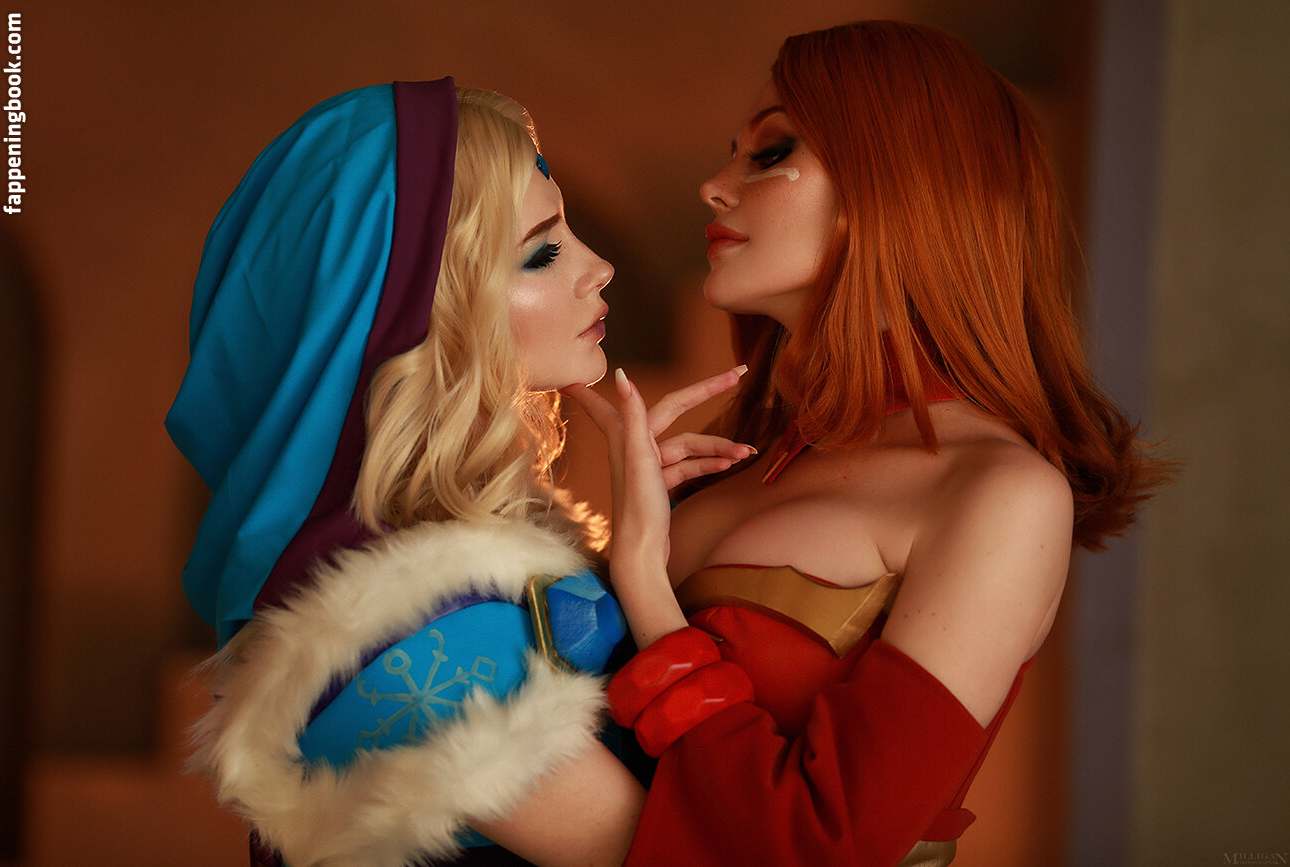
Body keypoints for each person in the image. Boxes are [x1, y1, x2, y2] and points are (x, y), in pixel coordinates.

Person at [567, 20, 1174, 867]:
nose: (713, 186)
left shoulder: (1002, 493)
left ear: (899, 183)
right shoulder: (735, 467)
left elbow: (830, 843)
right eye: (732, 153)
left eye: (771, 152)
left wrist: (642, 581)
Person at [166, 79, 748, 867]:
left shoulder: (450, 582)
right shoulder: (406, 653)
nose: (600, 267)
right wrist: (642, 571)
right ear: (420, 320)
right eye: (542, 253)